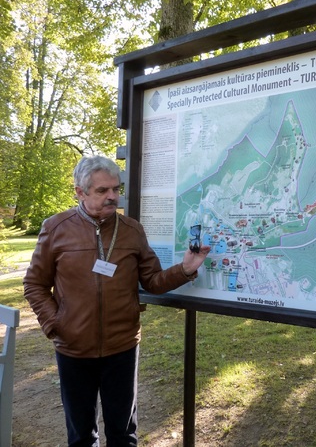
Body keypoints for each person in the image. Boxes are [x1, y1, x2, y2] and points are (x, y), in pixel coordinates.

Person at [23, 155, 211, 446]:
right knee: (82, 436)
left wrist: (185, 269)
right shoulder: (56, 228)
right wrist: (55, 323)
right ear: (80, 192)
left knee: (123, 435)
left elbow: (153, 282)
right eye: (102, 191)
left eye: (116, 188)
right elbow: (35, 284)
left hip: (122, 347)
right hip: (73, 349)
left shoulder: (132, 230)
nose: (112, 196)